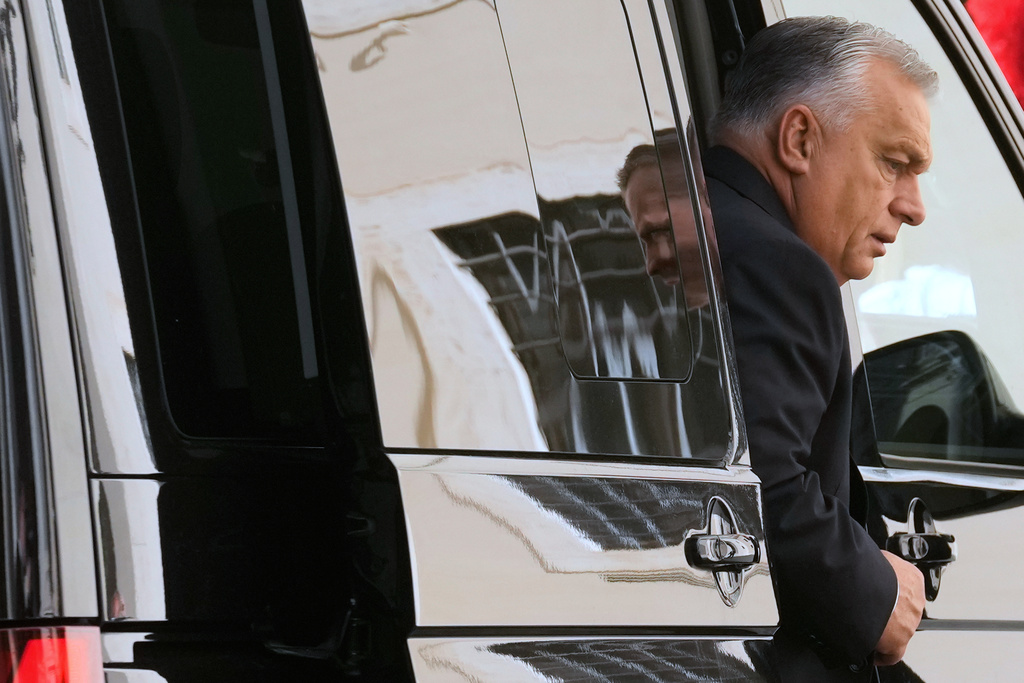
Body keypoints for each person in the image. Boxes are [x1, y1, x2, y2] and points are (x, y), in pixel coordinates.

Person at [703, 16, 936, 681]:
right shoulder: (779, 264)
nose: (914, 206)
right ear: (799, 138)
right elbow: (758, 482)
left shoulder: (690, 228)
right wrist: (875, 592)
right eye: (895, 163)